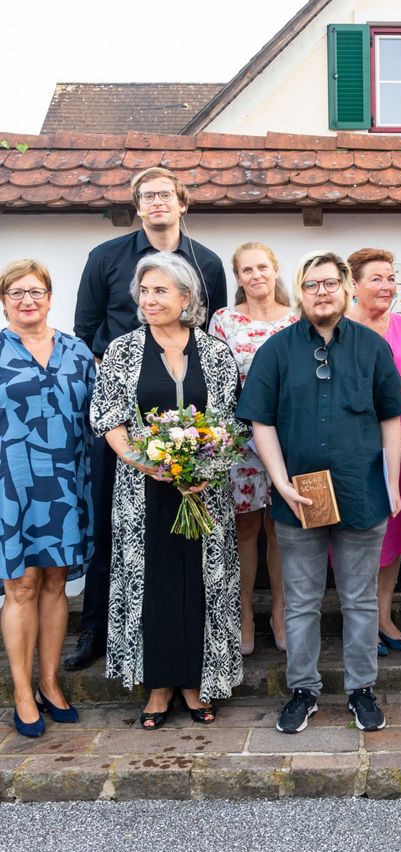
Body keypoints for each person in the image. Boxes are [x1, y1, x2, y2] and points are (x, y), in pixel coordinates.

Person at [237, 250, 401, 734]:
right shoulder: (276, 350)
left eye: (330, 284)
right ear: (300, 291)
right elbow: (260, 420)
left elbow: (390, 419)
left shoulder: (373, 349)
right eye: (311, 285)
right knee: (301, 599)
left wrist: (392, 483)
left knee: (358, 600)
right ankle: (304, 690)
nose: (321, 292)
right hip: (300, 499)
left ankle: (361, 689)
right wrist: (279, 483)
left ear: (346, 288)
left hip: (362, 492)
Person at [68, 166, 227, 672]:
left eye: (165, 195)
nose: (156, 203)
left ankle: (196, 654)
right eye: (146, 196)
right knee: (114, 526)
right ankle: (96, 627)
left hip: (194, 435)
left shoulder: (207, 262)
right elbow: (86, 329)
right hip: (125, 420)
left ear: (183, 203)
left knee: (189, 551)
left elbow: (211, 332)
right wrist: (124, 389)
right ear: (136, 206)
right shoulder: (106, 258)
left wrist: (196, 451)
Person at [90, 252, 242, 729]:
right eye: (145, 291)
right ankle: (157, 687)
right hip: (143, 491)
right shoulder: (122, 350)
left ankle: (196, 685)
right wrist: (147, 463)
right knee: (152, 581)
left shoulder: (216, 353)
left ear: (186, 297)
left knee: (201, 583)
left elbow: (228, 422)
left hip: (204, 488)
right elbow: (109, 419)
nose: (149, 300)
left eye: (160, 291)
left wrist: (205, 466)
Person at [0, 260, 95, 737]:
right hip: (10, 487)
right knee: (21, 585)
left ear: (50, 297)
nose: (27, 300)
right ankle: (22, 691)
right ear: (3, 301)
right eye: (15, 293)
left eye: (35, 291)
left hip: (65, 482)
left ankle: (50, 683)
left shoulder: (78, 353)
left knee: (56, 583)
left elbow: (99, 420)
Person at [211, 242, 297, 656]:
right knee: (245, 528)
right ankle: (244, 612)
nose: (256, 275)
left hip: (287, 437)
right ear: (238, 277)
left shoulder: (296, 320)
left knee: (281, 528)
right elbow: (216, 378)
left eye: (263, 266)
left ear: (275, 268)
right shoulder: (224, 320)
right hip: (240, 437)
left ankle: (280, 611)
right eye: (247, 269)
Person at [346, 248, 401, 656]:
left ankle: (383, 616)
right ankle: (359, 623)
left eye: (391, 278)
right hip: (353, 452)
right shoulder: (338, 329)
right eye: (376, 278)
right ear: (354, 286)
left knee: (392, 538)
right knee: (358, 540)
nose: (387, 286)